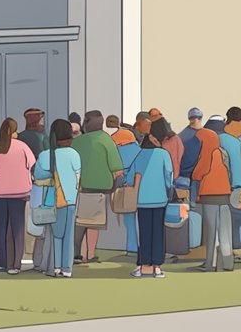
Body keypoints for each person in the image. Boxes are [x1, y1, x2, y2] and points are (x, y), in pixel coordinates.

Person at [0, 118, 35, 275]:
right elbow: (31, 162)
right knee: (17, 228)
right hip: (20, 194)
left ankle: (1, 262)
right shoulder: (23, 147)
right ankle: (15, 263)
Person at [73, 110, 124, 264]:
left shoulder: (78, 142)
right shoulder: (106, 140)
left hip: (82, 188)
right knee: (94, 223)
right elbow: (117, 168)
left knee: (81, 222)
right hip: (102, 188)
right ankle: (90, 253)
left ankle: (77, 253)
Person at [33, 118, 82, 277]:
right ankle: (67, 269)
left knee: (55, 235)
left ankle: (55, 266)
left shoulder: (46, 155)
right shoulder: (74, 154)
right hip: (70, 200)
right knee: (68, 234)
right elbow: (77, 178)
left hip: (52, 201)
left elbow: (38, 178)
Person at [128, 119, 175, 278]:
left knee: (144, 233)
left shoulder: (140, 154)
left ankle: (143, 266)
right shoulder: (163, 154)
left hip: (142, 200)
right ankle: (157, 267)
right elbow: (169, 177)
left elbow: (129, 177)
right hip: (160, 199)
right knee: (158, 233)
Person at [190, 118, 235, 272]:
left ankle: (211, 263)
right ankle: (227, 262)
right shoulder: (223, 153)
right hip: (224, 194)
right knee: (224, 231)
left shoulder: (206, 153)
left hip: (209, 195)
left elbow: (198, 174)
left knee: (211, 232)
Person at [112, 116, 141, 256]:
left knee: (129, 218)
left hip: (126, 188)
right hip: (142, 189)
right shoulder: (139, 149)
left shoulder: (117, 151)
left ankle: (132, 247)